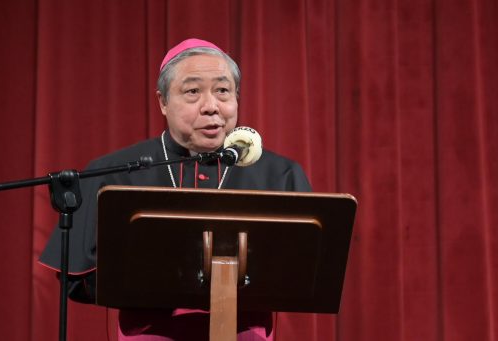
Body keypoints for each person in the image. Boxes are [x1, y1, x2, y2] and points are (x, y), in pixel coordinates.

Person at [40, 38, 312, 341]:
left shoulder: (279, 174)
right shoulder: (117, 173)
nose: (211, 107)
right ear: (163, 102)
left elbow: (307, 273)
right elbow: (78, 280)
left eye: (223, 91)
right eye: (192, 91)